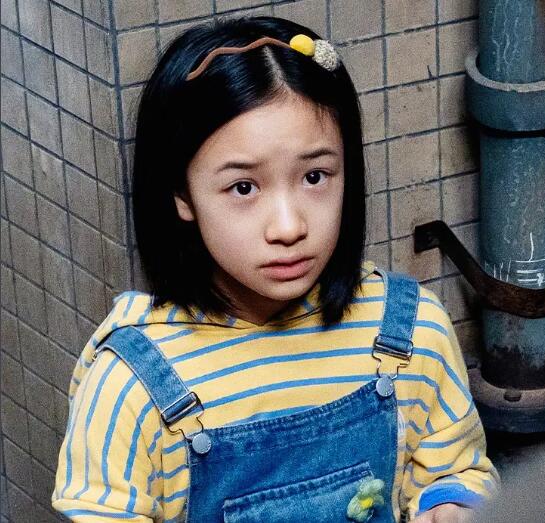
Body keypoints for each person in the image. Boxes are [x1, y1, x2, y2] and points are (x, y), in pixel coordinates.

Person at [52, 15, 499, 523]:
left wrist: (451, 503)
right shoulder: (130, 384)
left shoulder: (411, 333)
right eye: (243, 187)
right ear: (182, 194)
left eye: (315, 176)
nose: (288, 227)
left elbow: (458, 471)